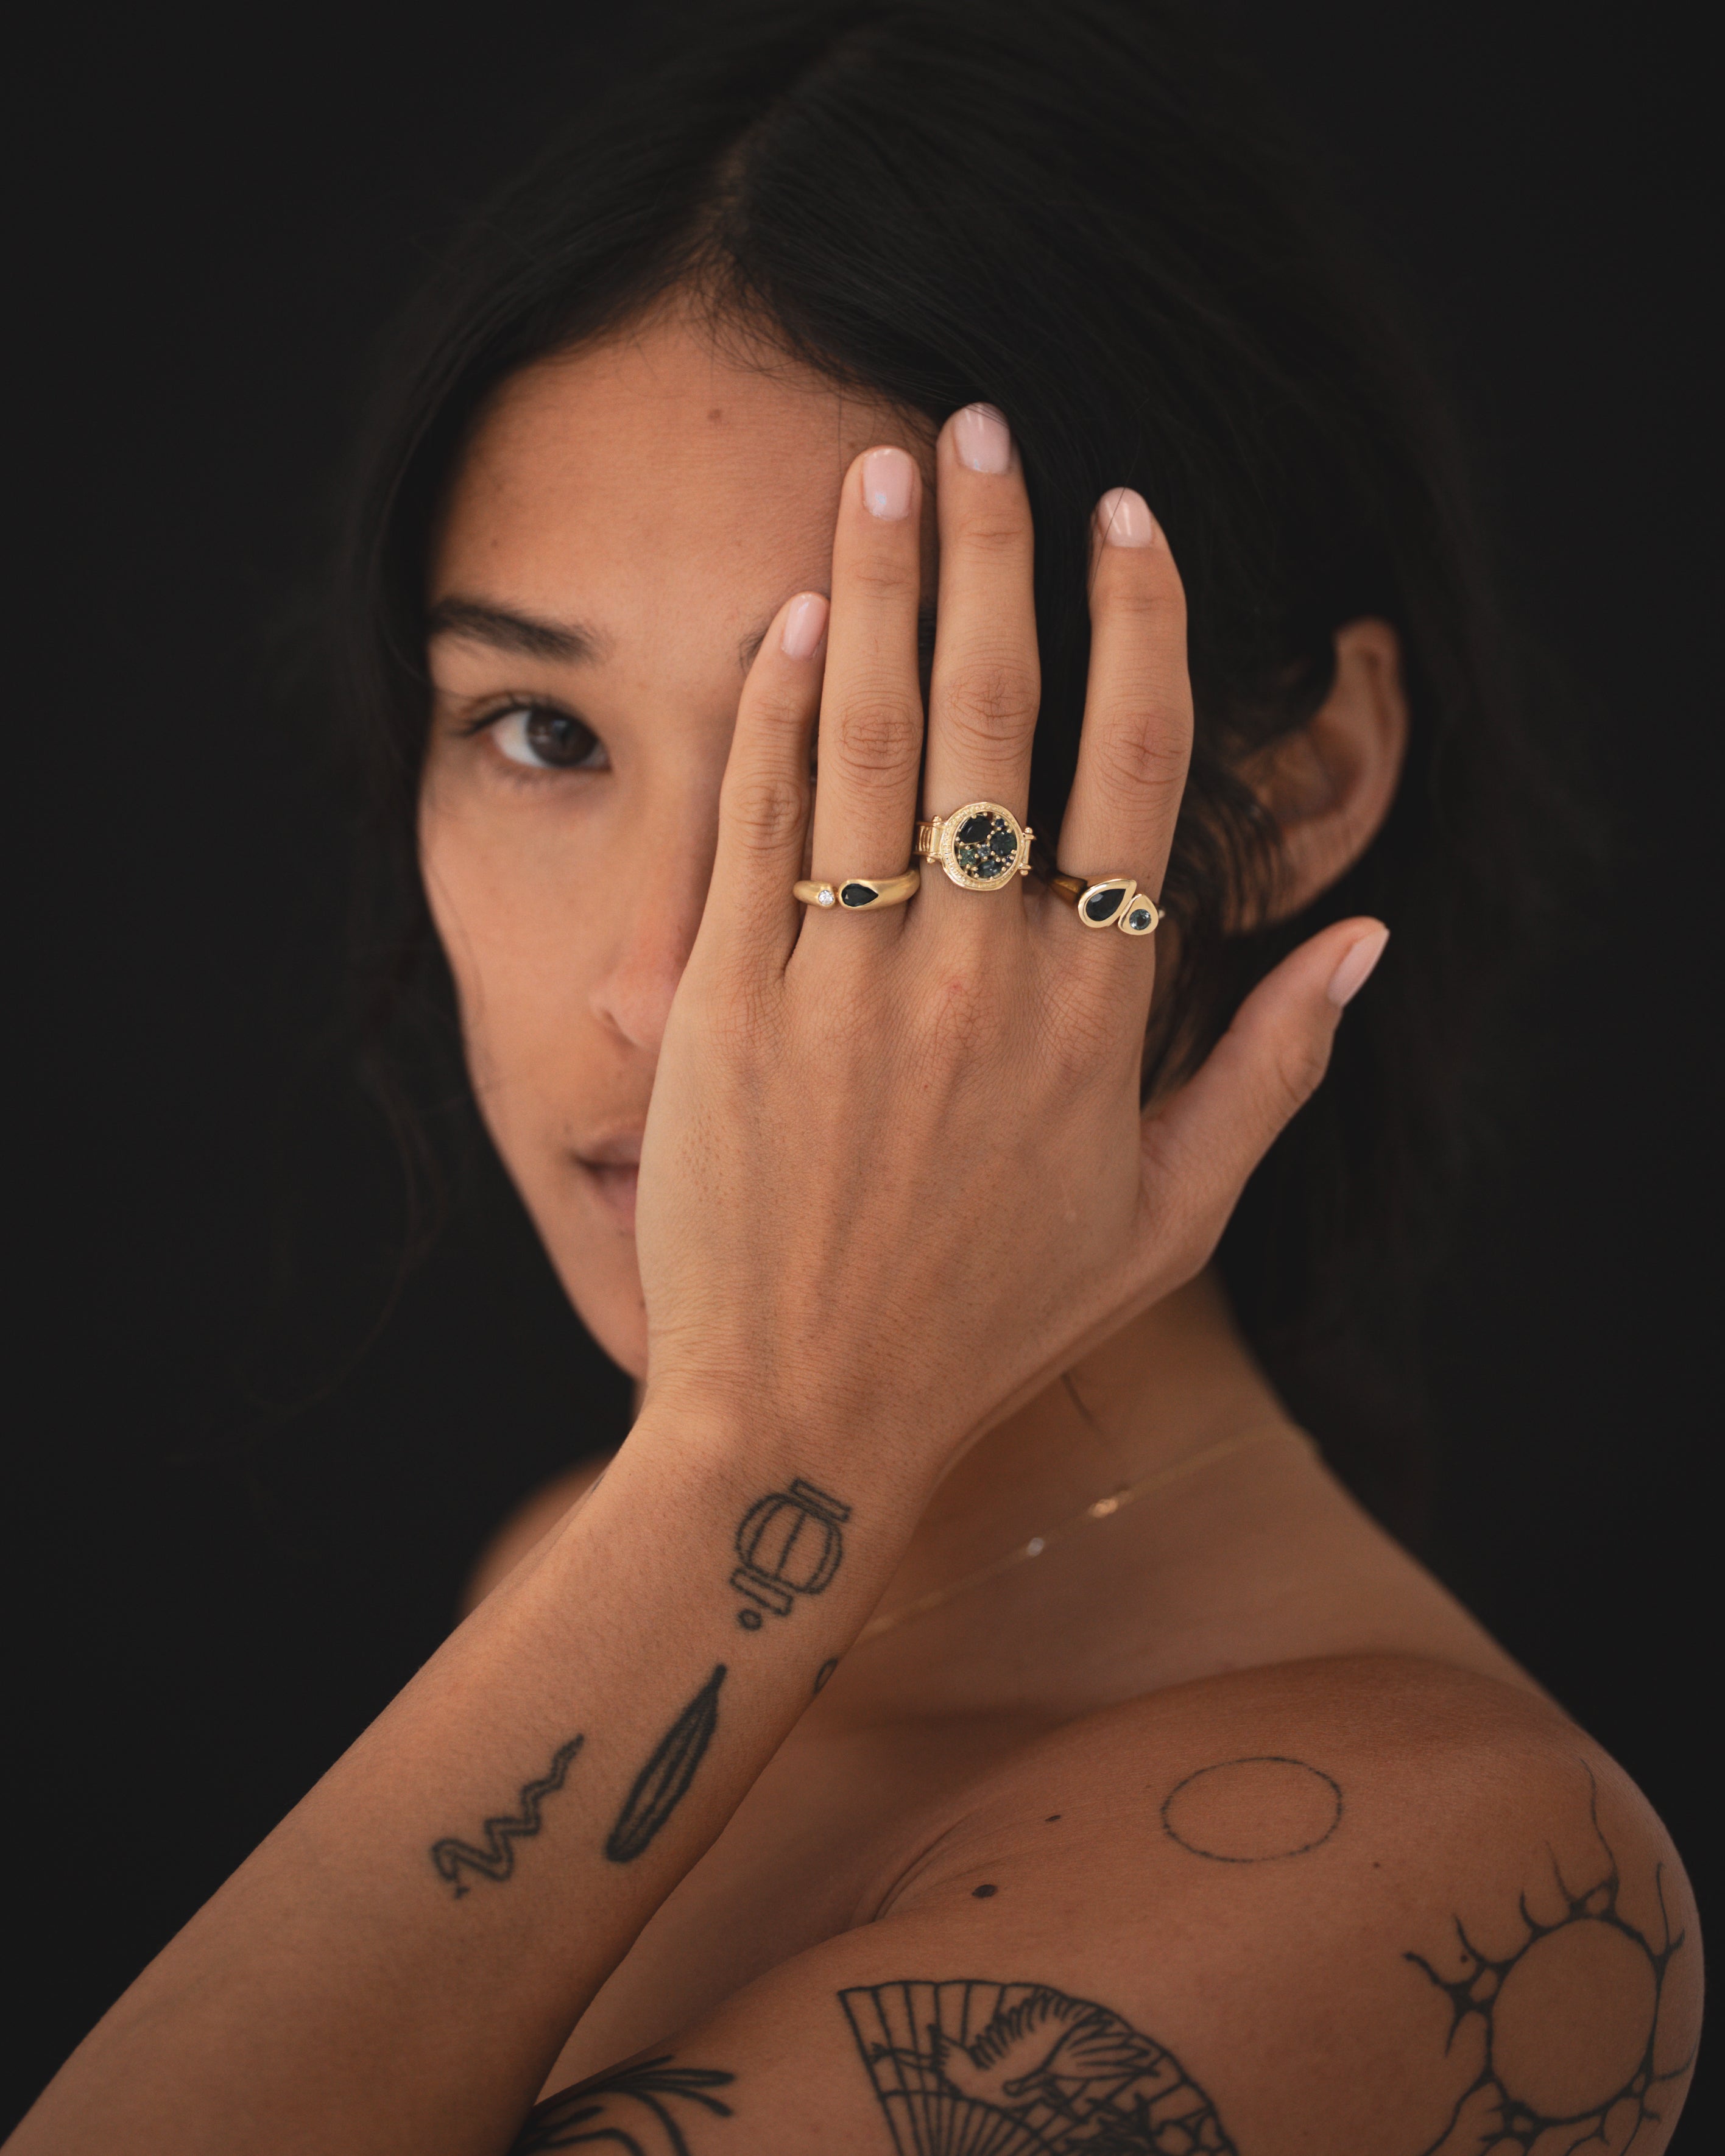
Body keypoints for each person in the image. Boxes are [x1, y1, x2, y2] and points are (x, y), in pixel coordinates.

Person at [15, 4, 1699, 2151]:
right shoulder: (590, 1571)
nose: (657, 988)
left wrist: (762, 1455)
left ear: (1291, 781)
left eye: (864, 760)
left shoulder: (1425, 1865)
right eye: (540, 734)